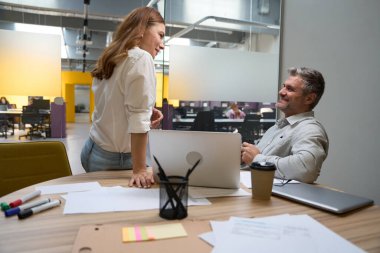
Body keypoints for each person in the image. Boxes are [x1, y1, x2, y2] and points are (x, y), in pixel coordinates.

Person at [80, 7, 165, 188]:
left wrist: (146, 109)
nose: (163, 44)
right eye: (160, 35)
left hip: (92, 150)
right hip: (116, 160)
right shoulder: (142, 58)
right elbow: (139, 119)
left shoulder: (111, 56)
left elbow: (112, 103)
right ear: (142, 29)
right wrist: (140, 170)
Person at [241, 67, 329, 183]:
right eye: (284, 86)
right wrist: (244, 156)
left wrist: (257, 160)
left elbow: (306, 169)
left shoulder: (310, 129)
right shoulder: (276, 128)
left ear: (309, 98)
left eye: (290, 89)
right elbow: (255, 158)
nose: (281, 92)